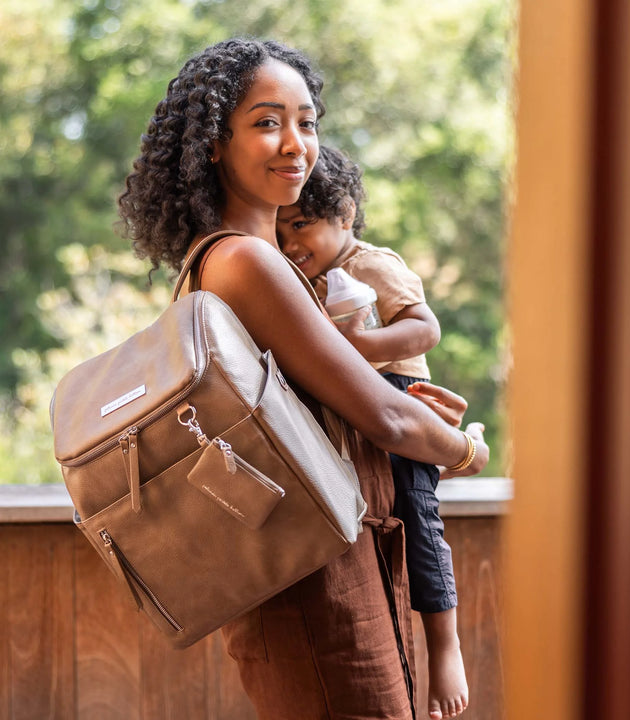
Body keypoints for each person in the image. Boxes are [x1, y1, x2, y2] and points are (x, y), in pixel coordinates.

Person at [118, 37, 489, 720]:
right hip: (319, 590)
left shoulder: (243, 263)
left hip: (333, 570)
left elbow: (341, 417)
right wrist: (465, 449)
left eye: (307, 121)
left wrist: (400, 424)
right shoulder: (246, 264)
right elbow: (391, 417)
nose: (295, 143)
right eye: (266, 122)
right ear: (212, 146)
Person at [277, 144, 472, 720]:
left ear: (344, 212)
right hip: (351, 416)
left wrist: (356, 348)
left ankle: (445, 646)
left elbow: (424, 329)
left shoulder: (371, 263)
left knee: (422, 524)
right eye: (281, 230)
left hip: (401, 402)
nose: (291, 243)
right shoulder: (296, 275)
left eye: (302, 225)